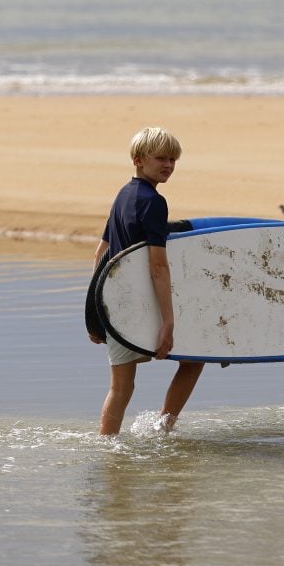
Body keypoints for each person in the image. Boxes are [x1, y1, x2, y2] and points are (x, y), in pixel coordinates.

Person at [88, 127, 204, 435]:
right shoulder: (153, 202)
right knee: (194, 359)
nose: (168, 165)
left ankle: (108, 448)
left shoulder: (123, 195)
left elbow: (101, 253)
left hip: (117, 302)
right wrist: (167, 321)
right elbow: (157, 265)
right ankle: (163, 429)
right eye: (161, 159)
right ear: (138, 160)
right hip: (142, 305)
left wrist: (96, 313)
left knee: (121, 387)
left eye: (173, 160)